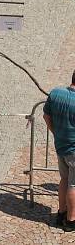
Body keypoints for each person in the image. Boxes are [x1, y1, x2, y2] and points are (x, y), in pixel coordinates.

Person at [44, 72, 75, 231]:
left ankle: (61, 214)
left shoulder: (55, 93)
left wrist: (55, 132)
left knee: (64, 180)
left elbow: (46, 116)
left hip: (60, 146)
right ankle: (71, 221)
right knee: (73, 184)